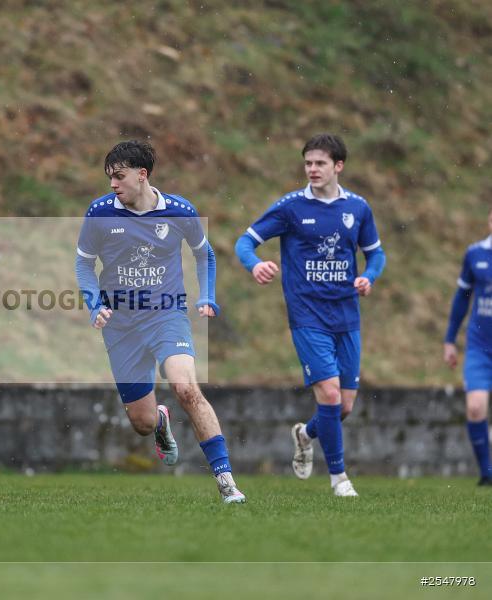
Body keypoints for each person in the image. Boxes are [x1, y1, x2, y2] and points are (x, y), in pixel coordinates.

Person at [75, 140, 246, 504]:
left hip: (166, 314)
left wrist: (207, 296)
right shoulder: (100, 212)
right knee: (142, 423)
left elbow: (205, 255)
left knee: (186, 389)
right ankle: (159, 421)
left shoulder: (180, 211)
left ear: (143, 174)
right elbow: (84, 264)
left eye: (119, 176)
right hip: (120, 324)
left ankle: (226, 482)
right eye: (109, 177)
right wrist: (94, 304)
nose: (112, 184)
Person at [235, 133, 386, 497]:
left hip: (346, 315)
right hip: (307, 315)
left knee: (343, 406)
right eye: (308, 163)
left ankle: (305, 434)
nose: (313, 169)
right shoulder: (291, 207)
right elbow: (245, 241)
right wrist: (255, 265)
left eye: (320, 163)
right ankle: (339, 479)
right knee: (330, 395)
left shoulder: (358, 208)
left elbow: (376, 254)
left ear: (338, 166)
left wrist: (369, 276)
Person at [443, 208, 492, 486]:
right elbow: (462, 298)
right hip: (479, 346)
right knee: (475, 407)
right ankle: (487, 474)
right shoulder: (475, 254)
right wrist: (450, 340)